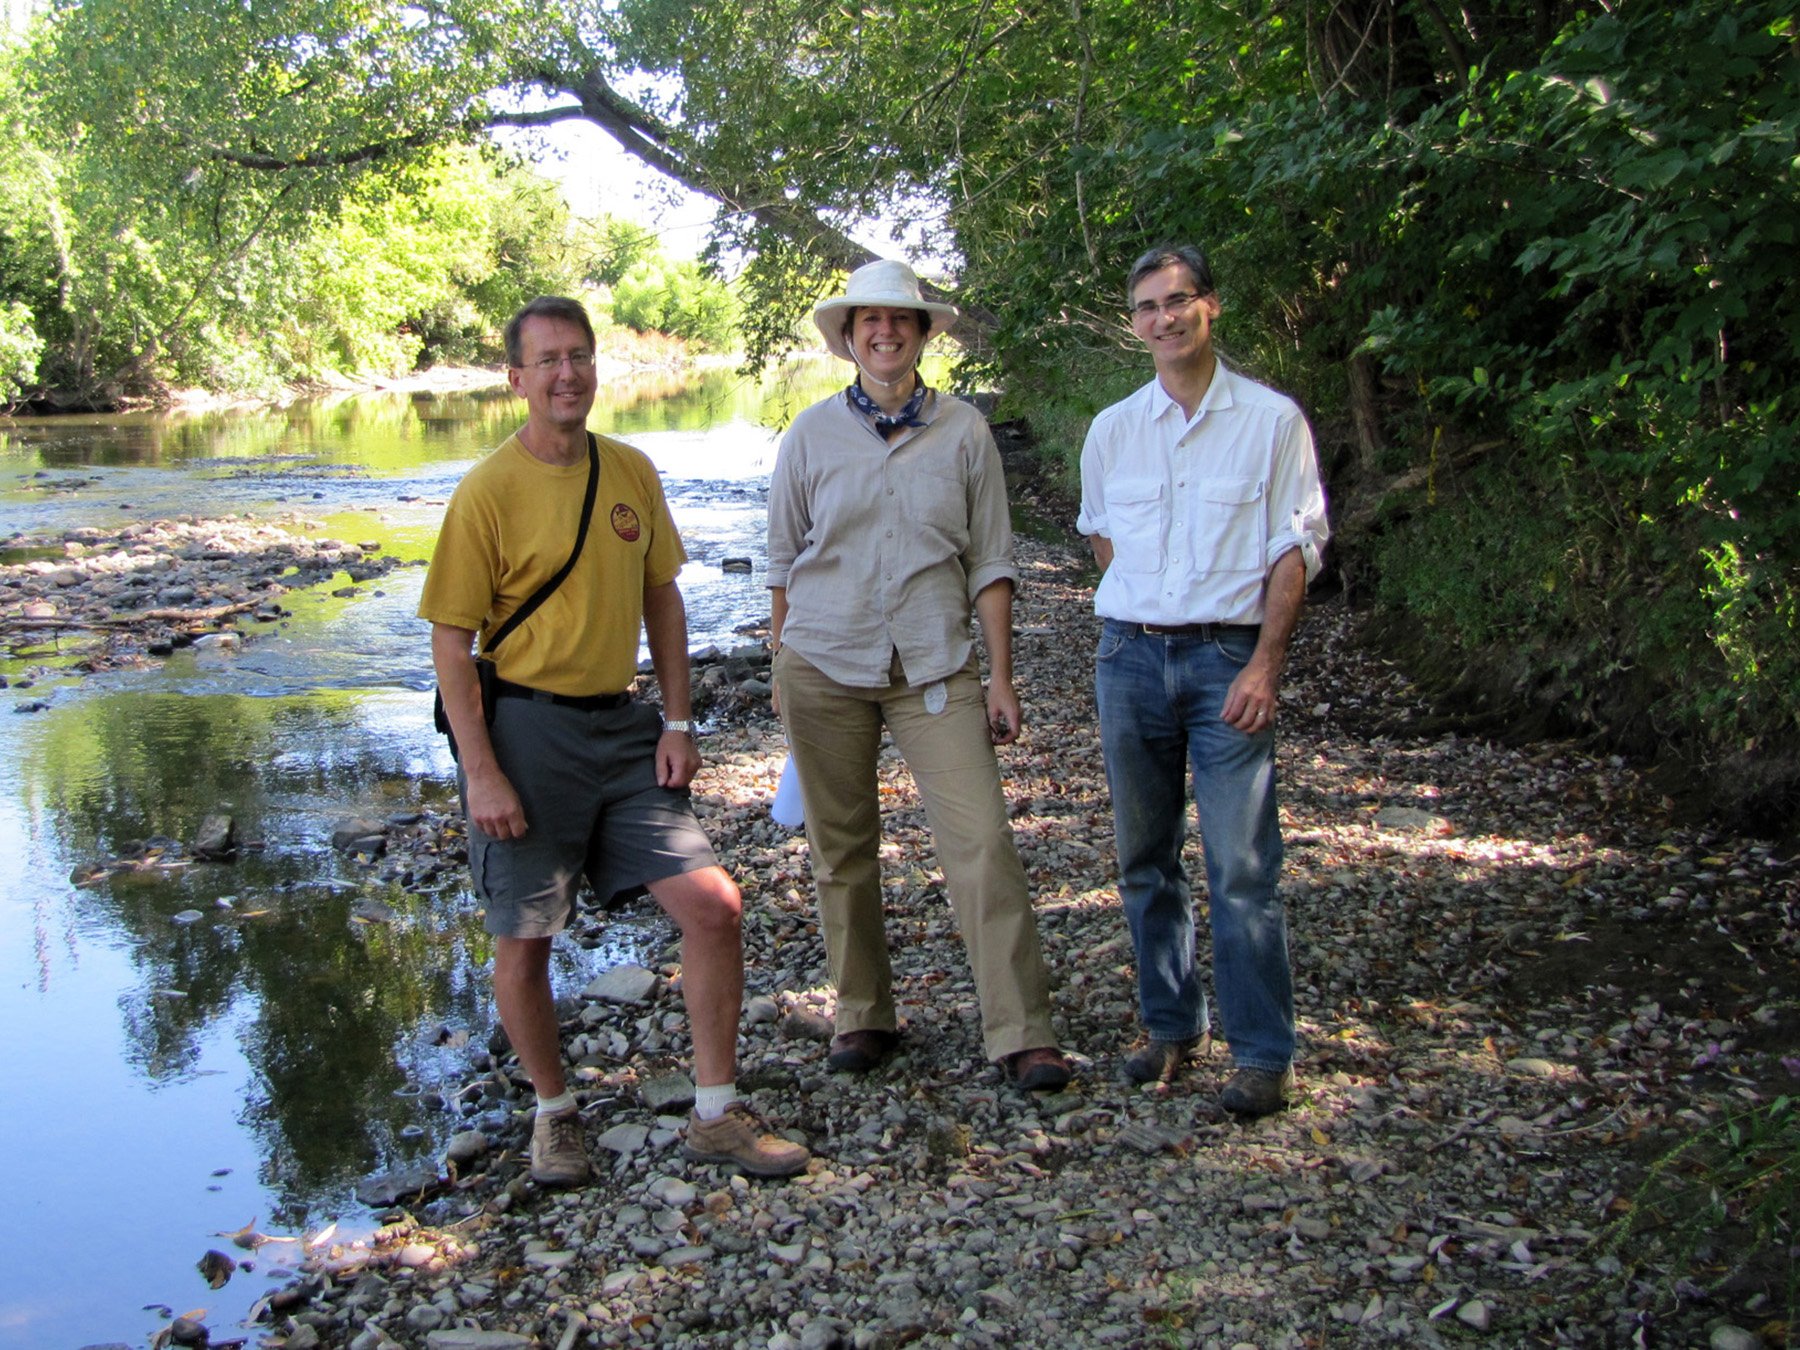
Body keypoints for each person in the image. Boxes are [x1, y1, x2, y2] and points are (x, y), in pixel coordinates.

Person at [420, 296, 810, 1182]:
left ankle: (715, 1114)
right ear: (516, 379)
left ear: (597, 367)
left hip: (625, 730)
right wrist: (482, 774)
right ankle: (553, 1115)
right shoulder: (486, 490)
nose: (568, 374)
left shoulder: (630, 470)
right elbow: (451, 643)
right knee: (525, 937)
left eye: (580, 356)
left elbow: (661, 598)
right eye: (548, 360)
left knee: (715, 906)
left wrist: (677, 721)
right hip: (523, 732)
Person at [767, 259, 1071, 1091]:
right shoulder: (808, 435)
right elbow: (783, 558)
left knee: (981, 842)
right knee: (841, 849)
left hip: (937, 663)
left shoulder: (966, 432)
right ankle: (862, 1013)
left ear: (923, 333)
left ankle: (1021, 1030)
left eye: (902, 320)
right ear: (849, 336)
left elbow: (993, 561)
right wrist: (779, 660)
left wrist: (1001, 677)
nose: (886, 332)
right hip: (823, 663)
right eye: (870, 321)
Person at [1077, 244, 1329, 1116]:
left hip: (1230, 663)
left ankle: (1263, 1054)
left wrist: (1264, 660)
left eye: (1178, 300)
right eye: (1147, 306)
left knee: (1242, 864)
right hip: (1130, 659)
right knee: (1145, 859)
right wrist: (1146, 611)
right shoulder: (1112, 430)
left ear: (1210, 307)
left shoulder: (1271, 422)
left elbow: (1293, 548)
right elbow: (1103, 540)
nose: (1164, 318)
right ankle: (1172, 1029)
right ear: (1134, 322)